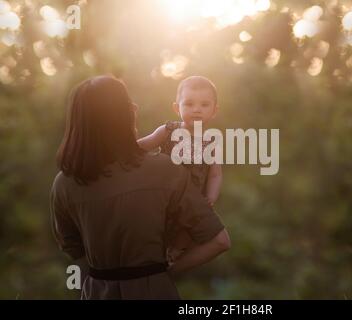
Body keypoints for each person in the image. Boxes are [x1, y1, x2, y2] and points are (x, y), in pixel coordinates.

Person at [50, 75, 230, 299]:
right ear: (120, 116)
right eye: (128, 104)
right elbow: (219, 241)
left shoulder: (64, 184)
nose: (135, 106)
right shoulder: (166, 170)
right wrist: (164, 273)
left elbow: (72, 248)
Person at [138, 76, 222, 263]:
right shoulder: (168, 131)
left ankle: (174, 253)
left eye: (204, 105)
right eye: (189, 104)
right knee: (154, 224)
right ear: (177, 108)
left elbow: (215, 174)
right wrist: (124, 146)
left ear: (214, 111)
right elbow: (144, 144)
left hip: (191, 197)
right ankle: (150, 250)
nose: (197, 109)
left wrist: (211, 198)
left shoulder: (211, 141)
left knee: (186, 229)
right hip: (162, 193)